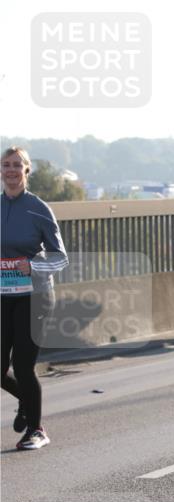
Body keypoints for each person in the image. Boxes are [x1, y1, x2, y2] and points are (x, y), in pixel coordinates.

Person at [1, 147, 68, 451]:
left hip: (36, 296)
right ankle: (26, 402)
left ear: (26, 171)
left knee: (24, 366)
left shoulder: (38, 208)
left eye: (17, 165)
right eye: (6, 165)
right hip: (4, 296)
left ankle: (36, 430)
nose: (11, 170)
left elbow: (60, 258)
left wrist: (33, 265)